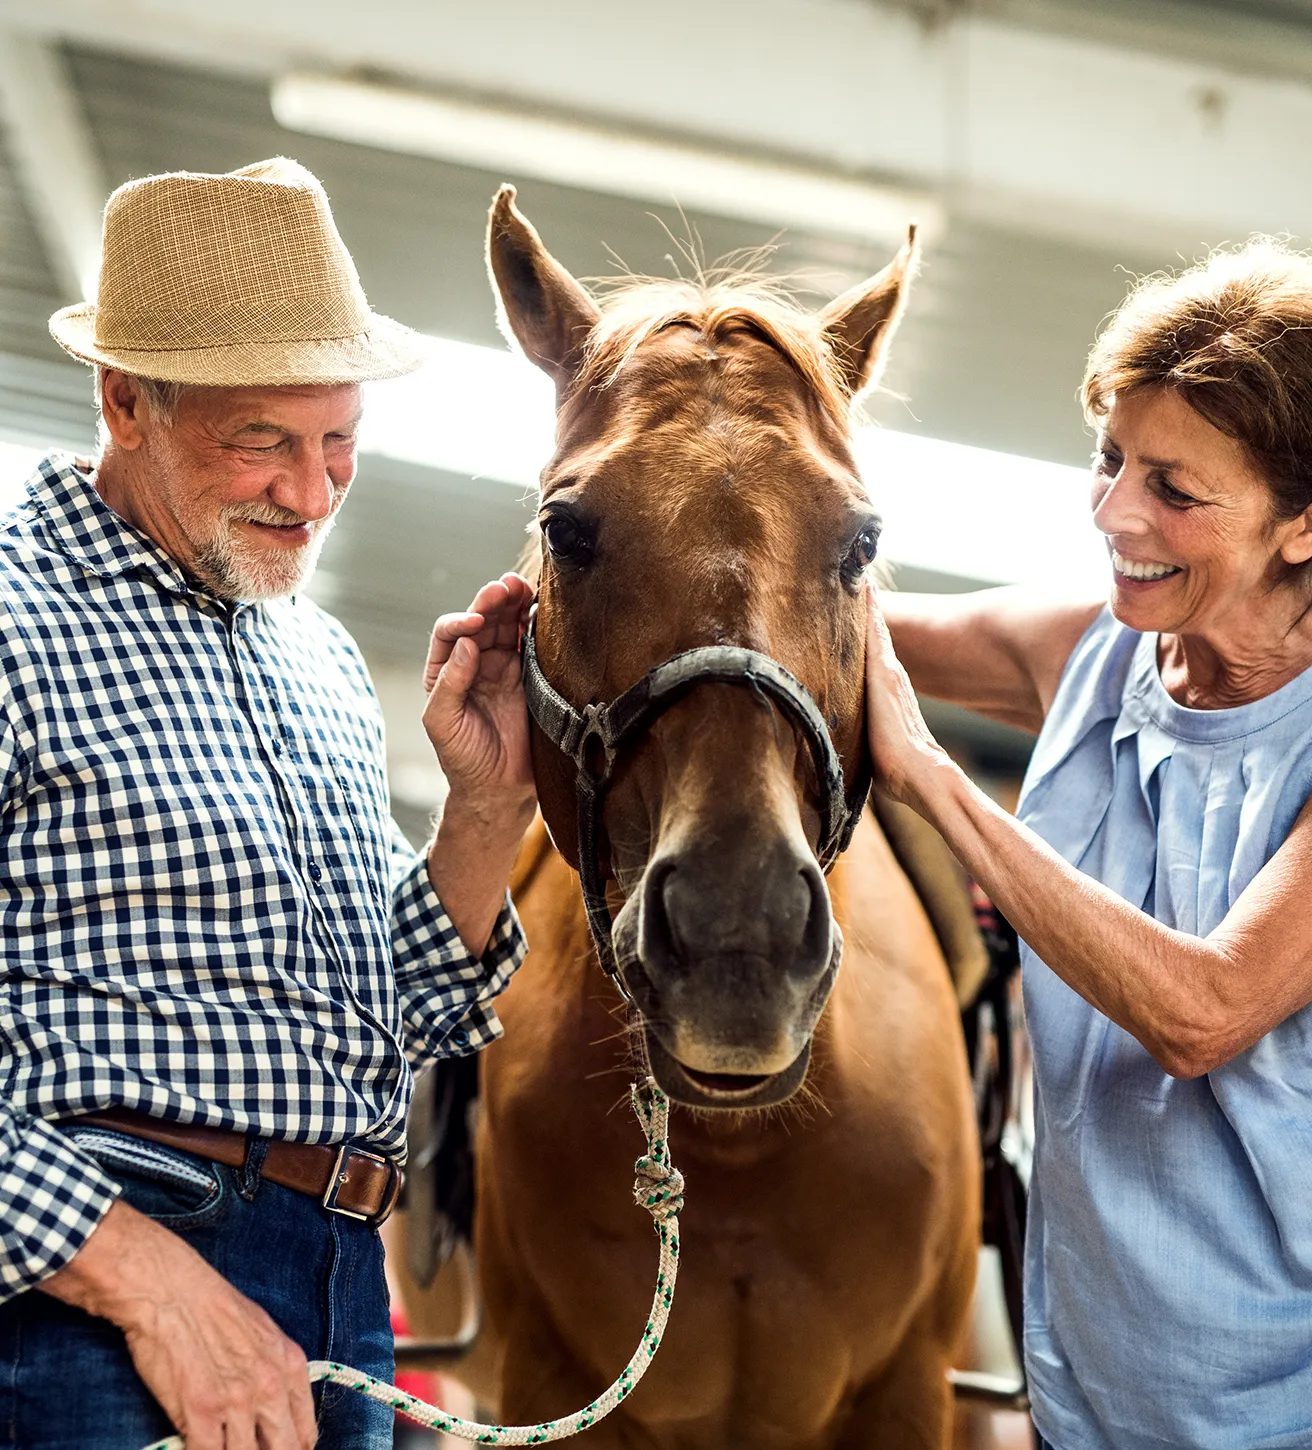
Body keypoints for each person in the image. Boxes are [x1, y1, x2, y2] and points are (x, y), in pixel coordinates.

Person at [0, 156, 535, 1450]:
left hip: (338, 1285)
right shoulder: (13, 616)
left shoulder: (319, 657)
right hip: (94, 1301)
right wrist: (146, 1281)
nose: (312, 491)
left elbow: (394, 1014)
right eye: (263, 443)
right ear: (125, 401)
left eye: (339, 439)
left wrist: (483, 810)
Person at [864, 239, 1312, 1450]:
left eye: (1173, 488)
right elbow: (819, 627)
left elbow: (1202, 1012)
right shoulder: (1096, 656)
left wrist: (938, 788)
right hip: (1085, 1399)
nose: (1115, 511)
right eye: (1108, 458)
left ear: (1301, 525)